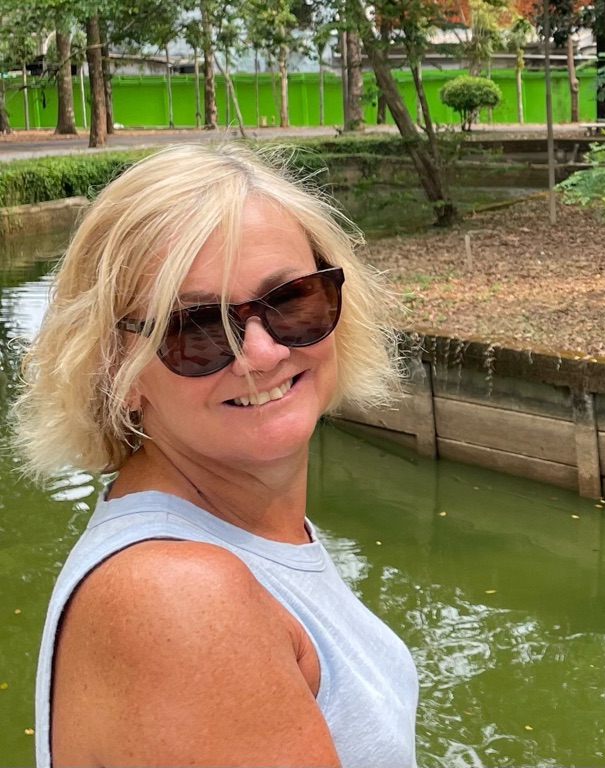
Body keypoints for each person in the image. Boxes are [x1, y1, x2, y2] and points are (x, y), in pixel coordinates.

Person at [12, 143, 419, 767]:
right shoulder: (177, 600)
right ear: (117, 369)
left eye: (291, 300)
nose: (262, 353)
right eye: (197, 328)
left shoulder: (247, 534)